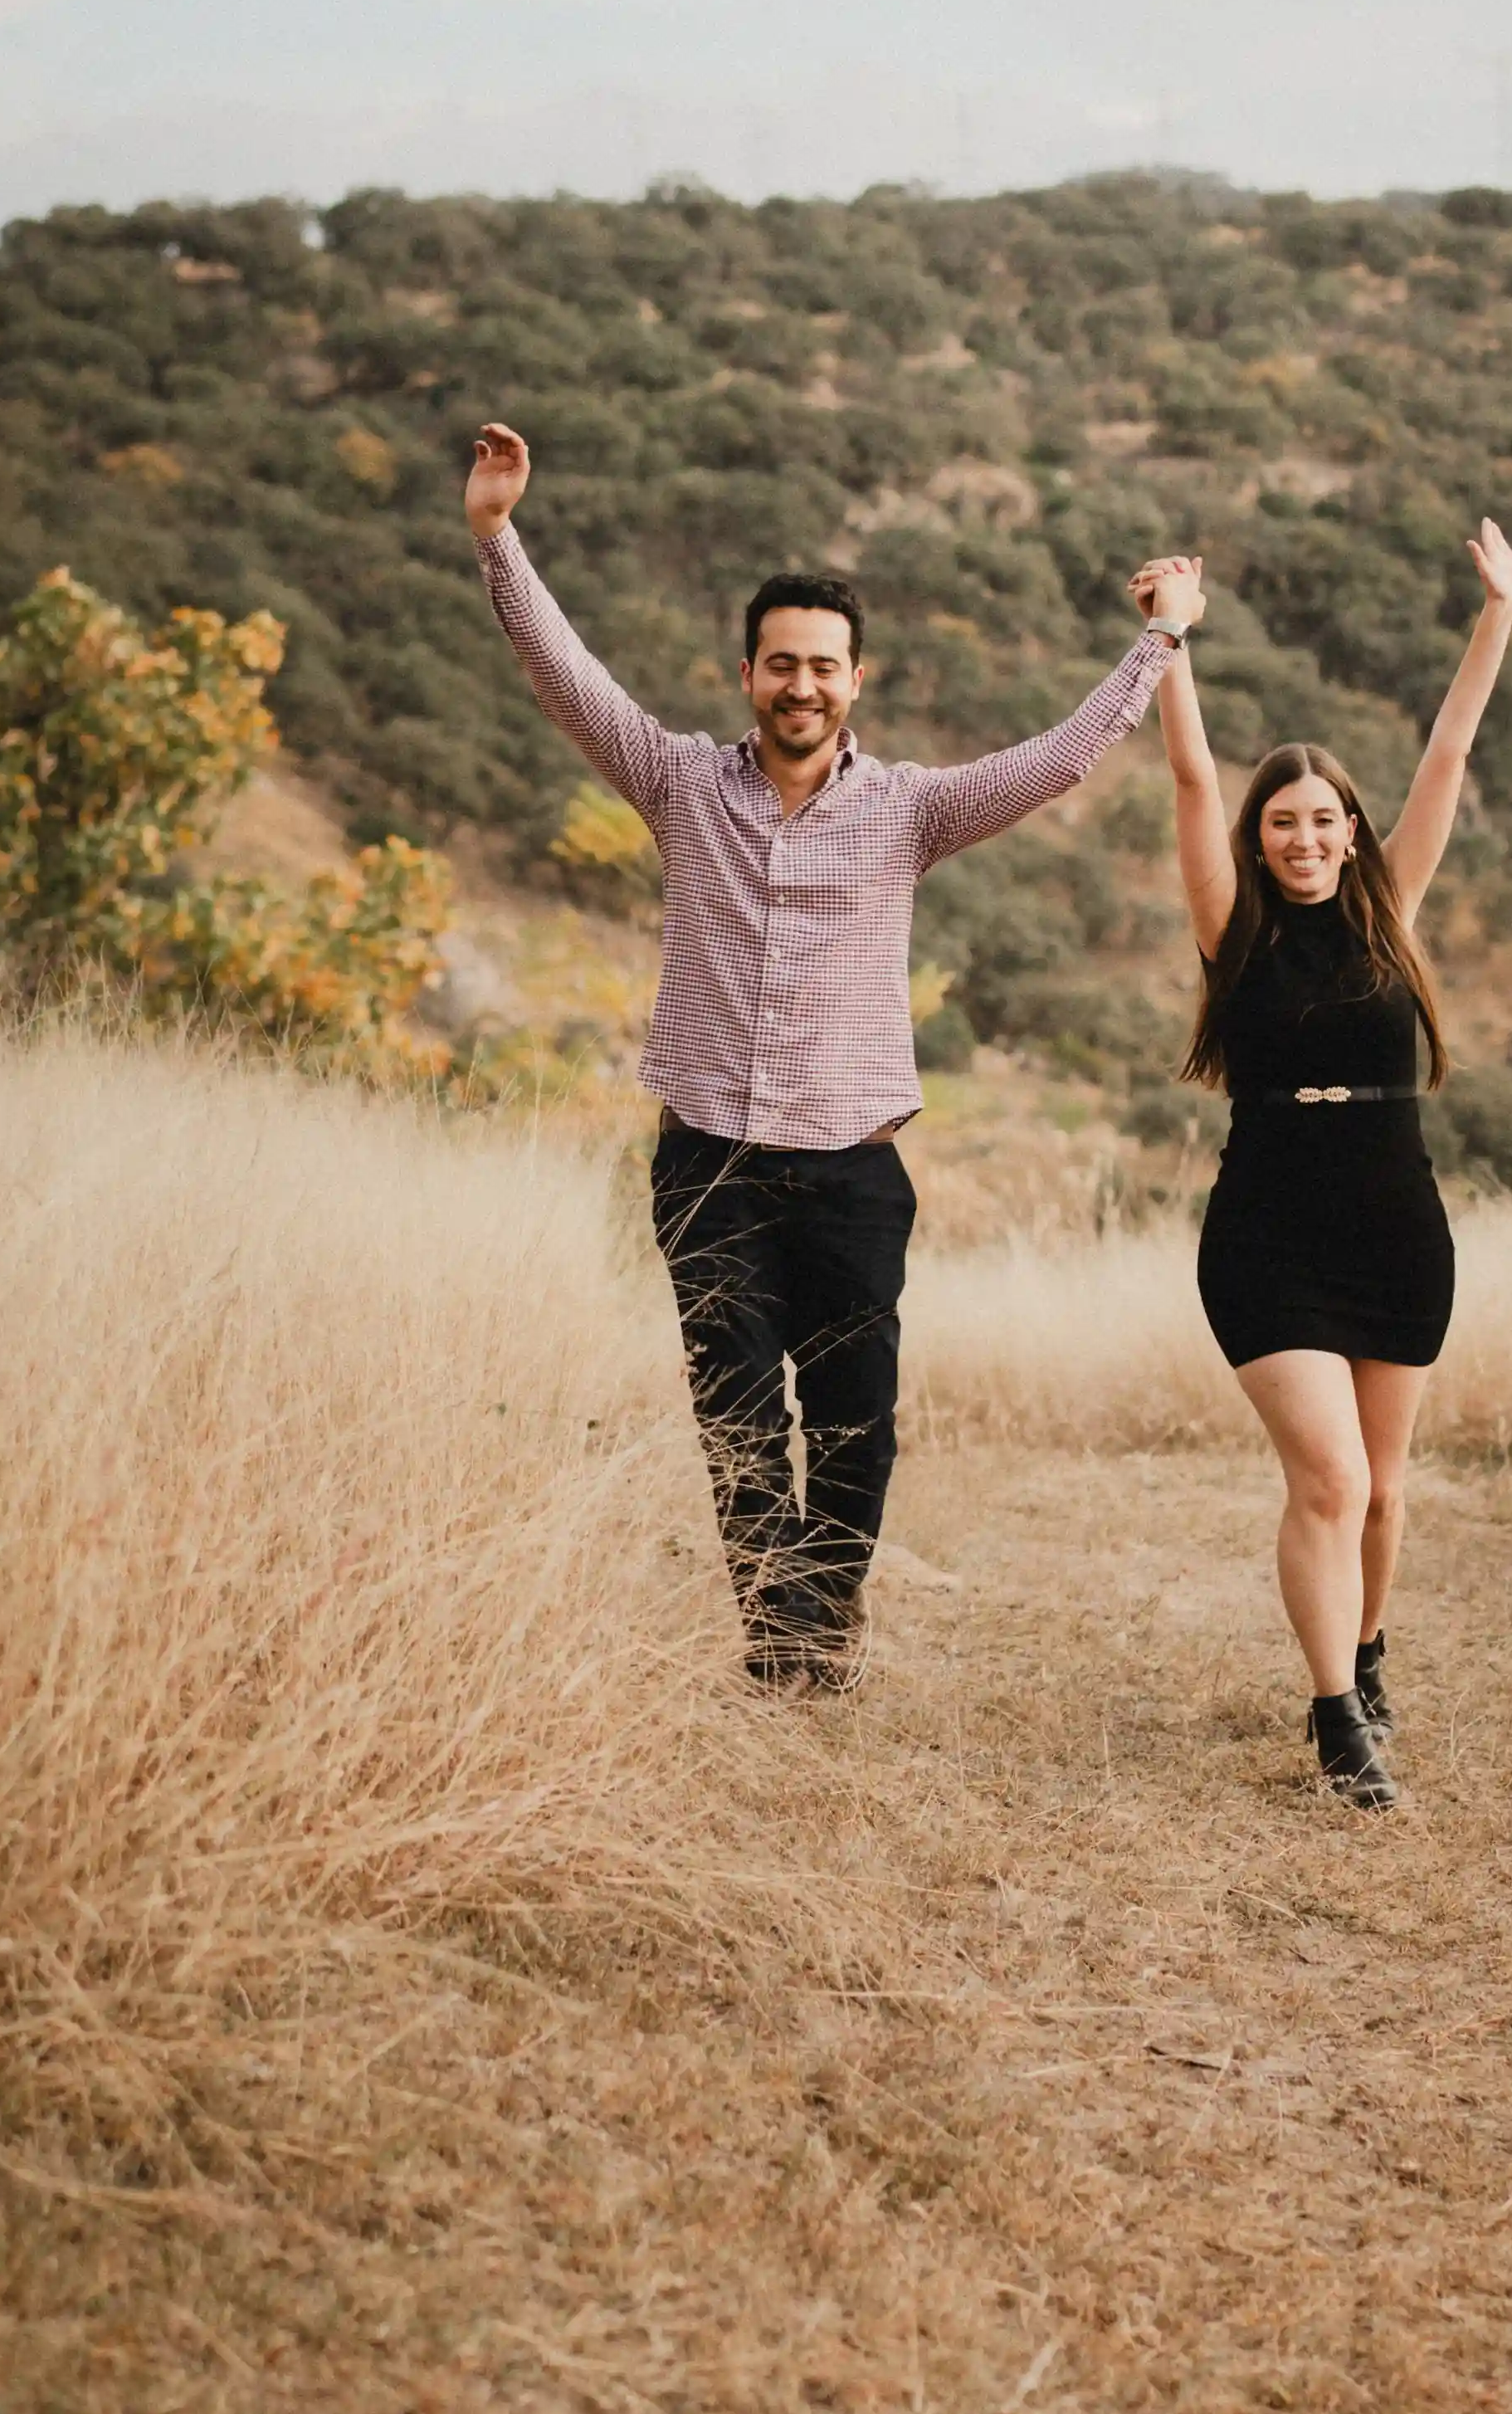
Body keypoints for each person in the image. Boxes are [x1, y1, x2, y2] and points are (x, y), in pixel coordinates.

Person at [465, 418, 1206, 1685]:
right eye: (779, 664)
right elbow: (562, 672)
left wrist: (1161, 639)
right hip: (708, 1163)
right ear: (746, 674)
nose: (801, 684)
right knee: (736, 1418)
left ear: (856, 680)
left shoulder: (910, 809)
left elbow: (1061, 759)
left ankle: (819, 1611)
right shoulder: (676, 782)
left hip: (856, 1172)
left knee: (858, 1424)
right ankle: (781, 1642)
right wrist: (496, 534)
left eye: (824, 665)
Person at [1146, 520, 1512, 1807]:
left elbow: (1450, 750)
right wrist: (1171, 646)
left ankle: (1366, 1654)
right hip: (1265, 1237)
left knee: (1385, 1489)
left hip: (1394, 1227)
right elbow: (1195, 780)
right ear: (1260, 842)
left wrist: (1498, 615)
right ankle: (1333, 1720)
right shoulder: (1232, 931)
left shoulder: (1388, 910)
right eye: (1283, 823)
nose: (1303, 837)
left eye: (1324, 819)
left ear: (1352, 832)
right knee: (1332, 1474)